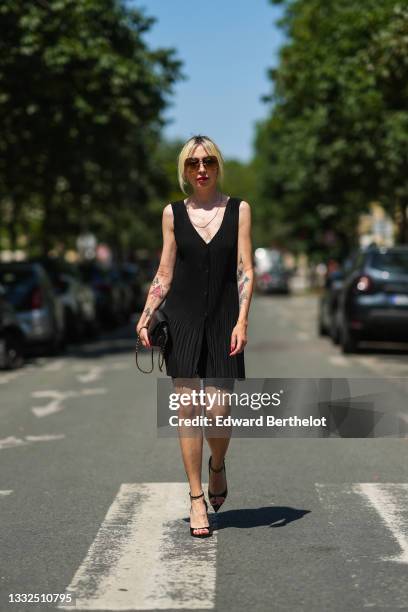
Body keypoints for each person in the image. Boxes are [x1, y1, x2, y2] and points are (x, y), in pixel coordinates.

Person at [136, 135, 253, 537]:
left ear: (218, 166)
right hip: (182, 323)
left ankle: (217, 467)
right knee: (187, 410)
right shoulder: (172, 214)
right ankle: (195, 498)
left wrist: (242, 321)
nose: (200, 169)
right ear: (184, 171)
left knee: (218, 411)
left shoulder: (239, 210)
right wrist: (147, 313)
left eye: (208, 162)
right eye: (192, 164)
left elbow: (245, 270)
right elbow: (165, 272)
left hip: (224, 321)